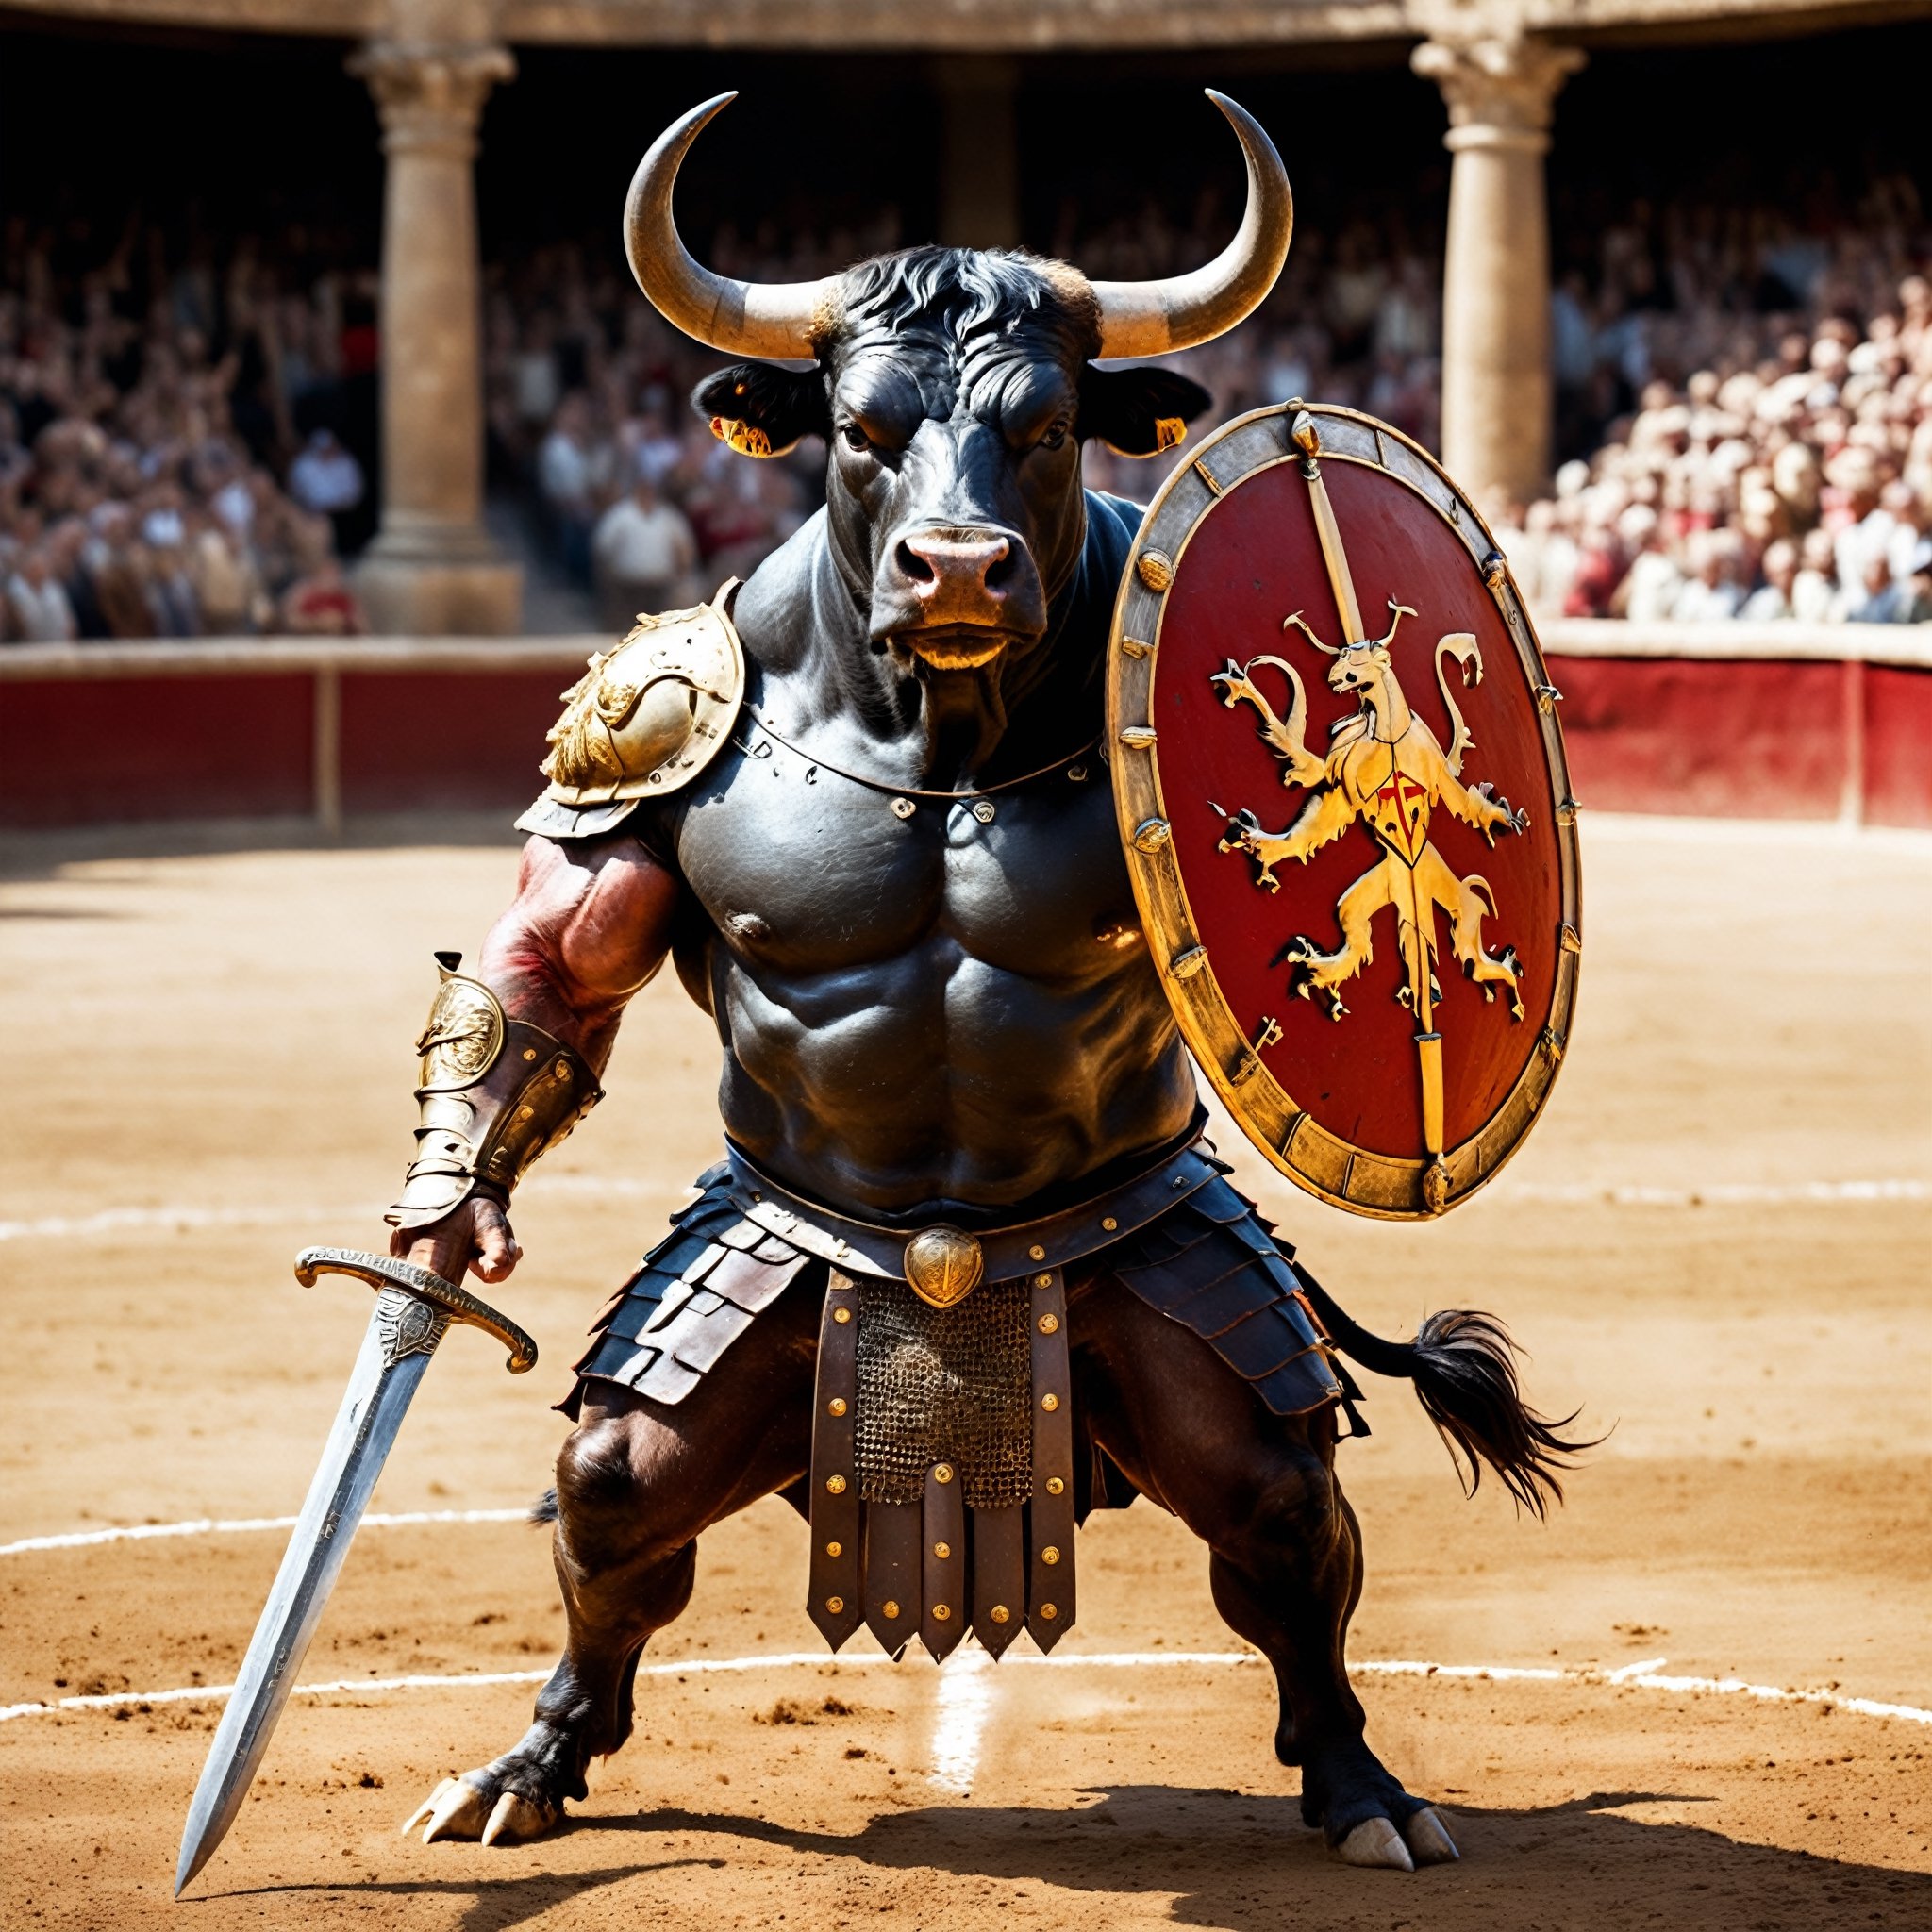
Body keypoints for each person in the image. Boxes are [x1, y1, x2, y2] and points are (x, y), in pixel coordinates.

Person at [590, 475, 696, 631]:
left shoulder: (669, 516)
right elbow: (602, 547)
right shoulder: (620, 514)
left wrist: (682, 569)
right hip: (626, 584)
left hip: (660, 583)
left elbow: (684, 546)